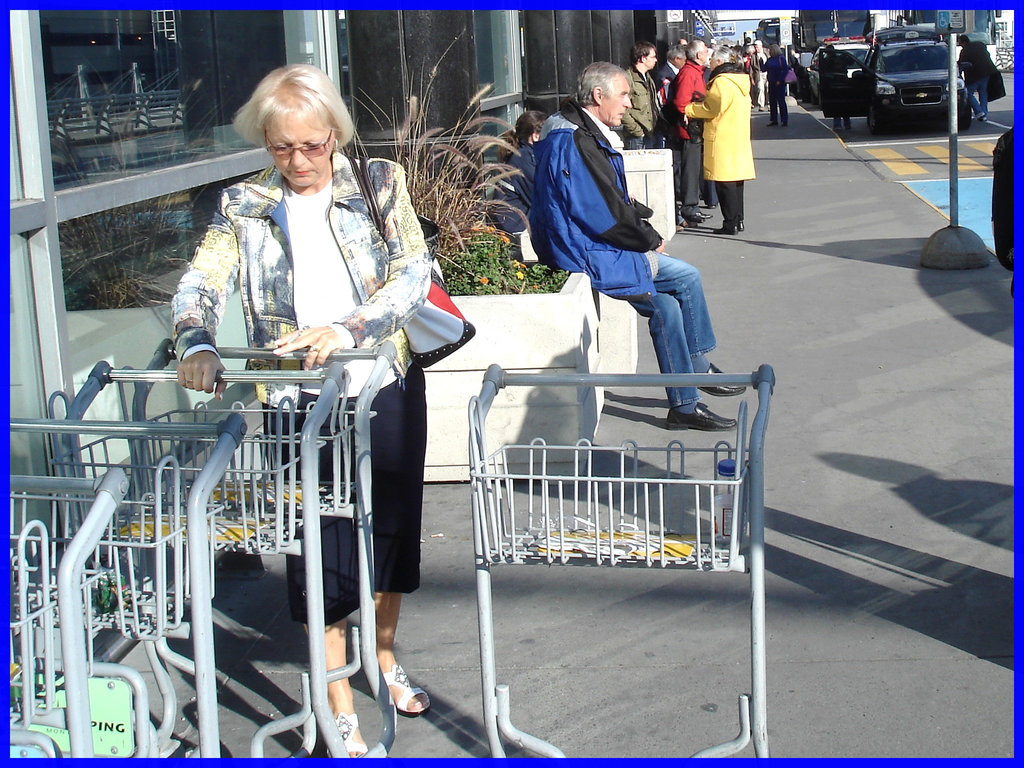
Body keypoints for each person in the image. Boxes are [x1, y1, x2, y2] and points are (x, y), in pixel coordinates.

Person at [171, 64, 432, 757]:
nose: (299, 162)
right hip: (294, 399)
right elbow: (202, 281)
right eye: (282, 148)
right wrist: (196, 340)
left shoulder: (377, 184)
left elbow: (413, 271)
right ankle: (337, 697)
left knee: (393, 536)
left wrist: (348, 329)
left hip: (381, 380)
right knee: (321, 546)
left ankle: (381, 655)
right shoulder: (243, 203)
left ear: (334, 134)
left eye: (312, 145)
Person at [529, 61, 743, 432]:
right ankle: (697, 370)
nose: (629, 103)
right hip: (588, 251)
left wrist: (640, 218)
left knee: (667, 309)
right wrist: (650, 239)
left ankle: (685, 403)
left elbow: (603, 198)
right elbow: (602, 213)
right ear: (598, 97)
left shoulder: (573, 131)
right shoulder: (574, 140)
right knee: (687, 277)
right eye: (624, 94)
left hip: (587, 245)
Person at [685, 46, 756, 236]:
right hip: (738, 135)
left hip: (722, 136)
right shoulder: (741, 80)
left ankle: (729, 222)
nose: (710, 62)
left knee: (724, 183)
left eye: (713, 59)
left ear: (720, 62)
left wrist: (690, 109)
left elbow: (711, 108)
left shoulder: (721, 82)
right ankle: (739, 219)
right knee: (737, 182)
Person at [671, 38, 713, 227]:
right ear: (698, 55)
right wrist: (687, 114)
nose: (707, 54)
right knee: (691, 167)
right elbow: (681, 102)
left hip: (694, 126)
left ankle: (692, 205)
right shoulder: (689, 73)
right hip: (690, 129)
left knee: (694, 167)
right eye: (705, 51)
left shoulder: (693, 72)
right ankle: (690, 206)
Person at [491, 109, 546, 237]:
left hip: (514, 222)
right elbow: (542, 198)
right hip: (515, 227)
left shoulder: (524, 154)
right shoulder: (524, 160)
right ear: (535, 136)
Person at [621, 41, 662, 150]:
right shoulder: (627, 78)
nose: (656, 60)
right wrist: (637, 131)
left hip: (652, 132)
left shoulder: (648, 78)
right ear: (643, 59)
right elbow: (621, 108)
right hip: (637, 137)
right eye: (653, 57)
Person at [958, 34, 997, 121]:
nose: (960, 45)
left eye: (960, 43)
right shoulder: (979, 44)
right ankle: (984, 113)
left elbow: (961, 64)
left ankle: (979, 112)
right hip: (987, 72)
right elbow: (987, 54)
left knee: (968, 93)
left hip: (975, 76)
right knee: (983, 92)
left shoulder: (965, 51)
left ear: (963, 42)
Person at [764, 43, 790, 127]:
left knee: (781, 101)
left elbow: (785, 70)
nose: (769, 51)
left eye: (771, 50)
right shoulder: (770, 59)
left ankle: (784, 120)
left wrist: (780, 80)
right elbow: (764, 69)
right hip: (771, 82)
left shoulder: (781, 59)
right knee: (772, 102)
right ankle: (774, 119)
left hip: (780, 83)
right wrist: (760, 63)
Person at [750, 40, 768, 111]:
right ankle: (761, 105)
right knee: (760, 88)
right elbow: (751, 67)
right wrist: (752, 78)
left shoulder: (767, 52)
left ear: (761, 46)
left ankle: (768, 103)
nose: (756, 48)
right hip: (759, 73)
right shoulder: (754, 56)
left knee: (767, 88)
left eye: (757, 47)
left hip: (767, 73)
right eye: (755, 47)